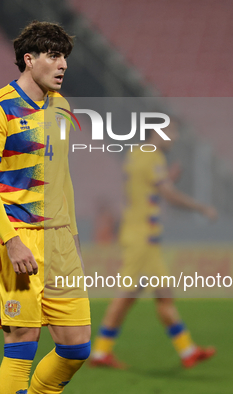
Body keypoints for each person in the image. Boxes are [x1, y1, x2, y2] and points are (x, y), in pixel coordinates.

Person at [0, 21, 91, 394]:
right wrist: (10, 240)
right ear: (29, 59)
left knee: (76, 346)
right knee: (22, 344)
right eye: (54, 56)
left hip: (59, 240)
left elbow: (61, 175)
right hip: (17, 236)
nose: (63, 65)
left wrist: (72, 236)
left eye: (64, 57)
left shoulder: (62, 107)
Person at [89, 121, 218, 369]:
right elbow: (167, 195)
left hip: (141, 237)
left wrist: (165, 180)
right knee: (127, 295)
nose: (174, 138)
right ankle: (99, 353)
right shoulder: (154, 157)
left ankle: (187, 351)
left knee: (162, 294)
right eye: (172, 132)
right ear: (158, 132)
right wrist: (201, 208)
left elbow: (144, 187)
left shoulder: (137, 153)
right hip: (142, 240)